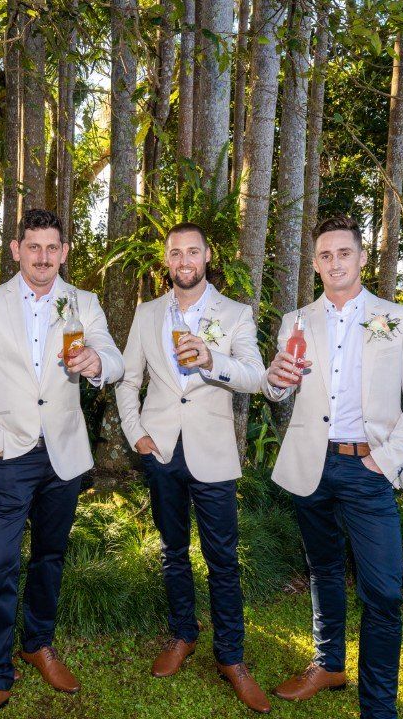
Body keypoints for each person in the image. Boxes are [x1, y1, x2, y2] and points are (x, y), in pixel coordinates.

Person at [0, 208, 123, 719]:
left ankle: (38, 643)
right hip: (9, 455)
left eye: (52, 248)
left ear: (64, 252)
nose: (43, 257)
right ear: (16, 249)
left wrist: (97, 365)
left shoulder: (83, 302)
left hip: (64, 454)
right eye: (33, 247)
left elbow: (112, 357)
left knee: (50, 556)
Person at [264, 213, 403, 719]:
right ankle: (328, 664)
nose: (335, 262)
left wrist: (383, 462)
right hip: (310, 466)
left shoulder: (397, 318)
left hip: (368, 470)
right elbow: (280, 390)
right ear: (315, 264)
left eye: (344, 253)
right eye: (325, 255)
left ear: (363, 258)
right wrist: (276, 379)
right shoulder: (296, 321)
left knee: (383, 593)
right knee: (321, 569)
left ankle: (378, 708)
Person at [114, 223, 271, 713]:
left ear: (206, 257)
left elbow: (256, 377)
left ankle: (232, 657)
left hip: (213, 451)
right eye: (175, 252)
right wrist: (135, 432)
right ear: (167, 260)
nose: (184, 259)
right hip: (160, 450)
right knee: (173, 550)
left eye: (193, 251)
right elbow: (127, 379)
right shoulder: (146, 313)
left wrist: (212, 359)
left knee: (223, 559)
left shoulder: (235, 313)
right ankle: (183, 635)